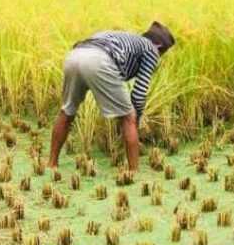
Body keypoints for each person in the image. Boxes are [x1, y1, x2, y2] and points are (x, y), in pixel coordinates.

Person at [48, 22, 175, 171]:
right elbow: (139, 94)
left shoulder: (126, 38)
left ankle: (51, 163)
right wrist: (137, 118)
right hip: (100, 60)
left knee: (67, 111)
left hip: (75, 56)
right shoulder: (151, 49)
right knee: (129, 117)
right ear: (159, 47)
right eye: (162, 54)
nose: (158, 57)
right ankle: (133, 171)